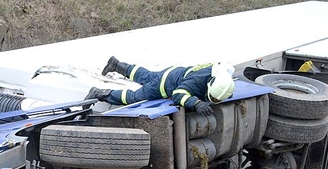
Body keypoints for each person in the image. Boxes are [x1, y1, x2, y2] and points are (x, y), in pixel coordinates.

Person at [85, 57, 235, 116]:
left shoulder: (221, 74)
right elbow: (178, 94)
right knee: (134, 97)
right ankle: (100, 93)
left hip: (174, 73)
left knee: (147, 76)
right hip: (166, 85)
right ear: (209, 83)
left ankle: (116, 65)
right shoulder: (197, 80)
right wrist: (196, 103)